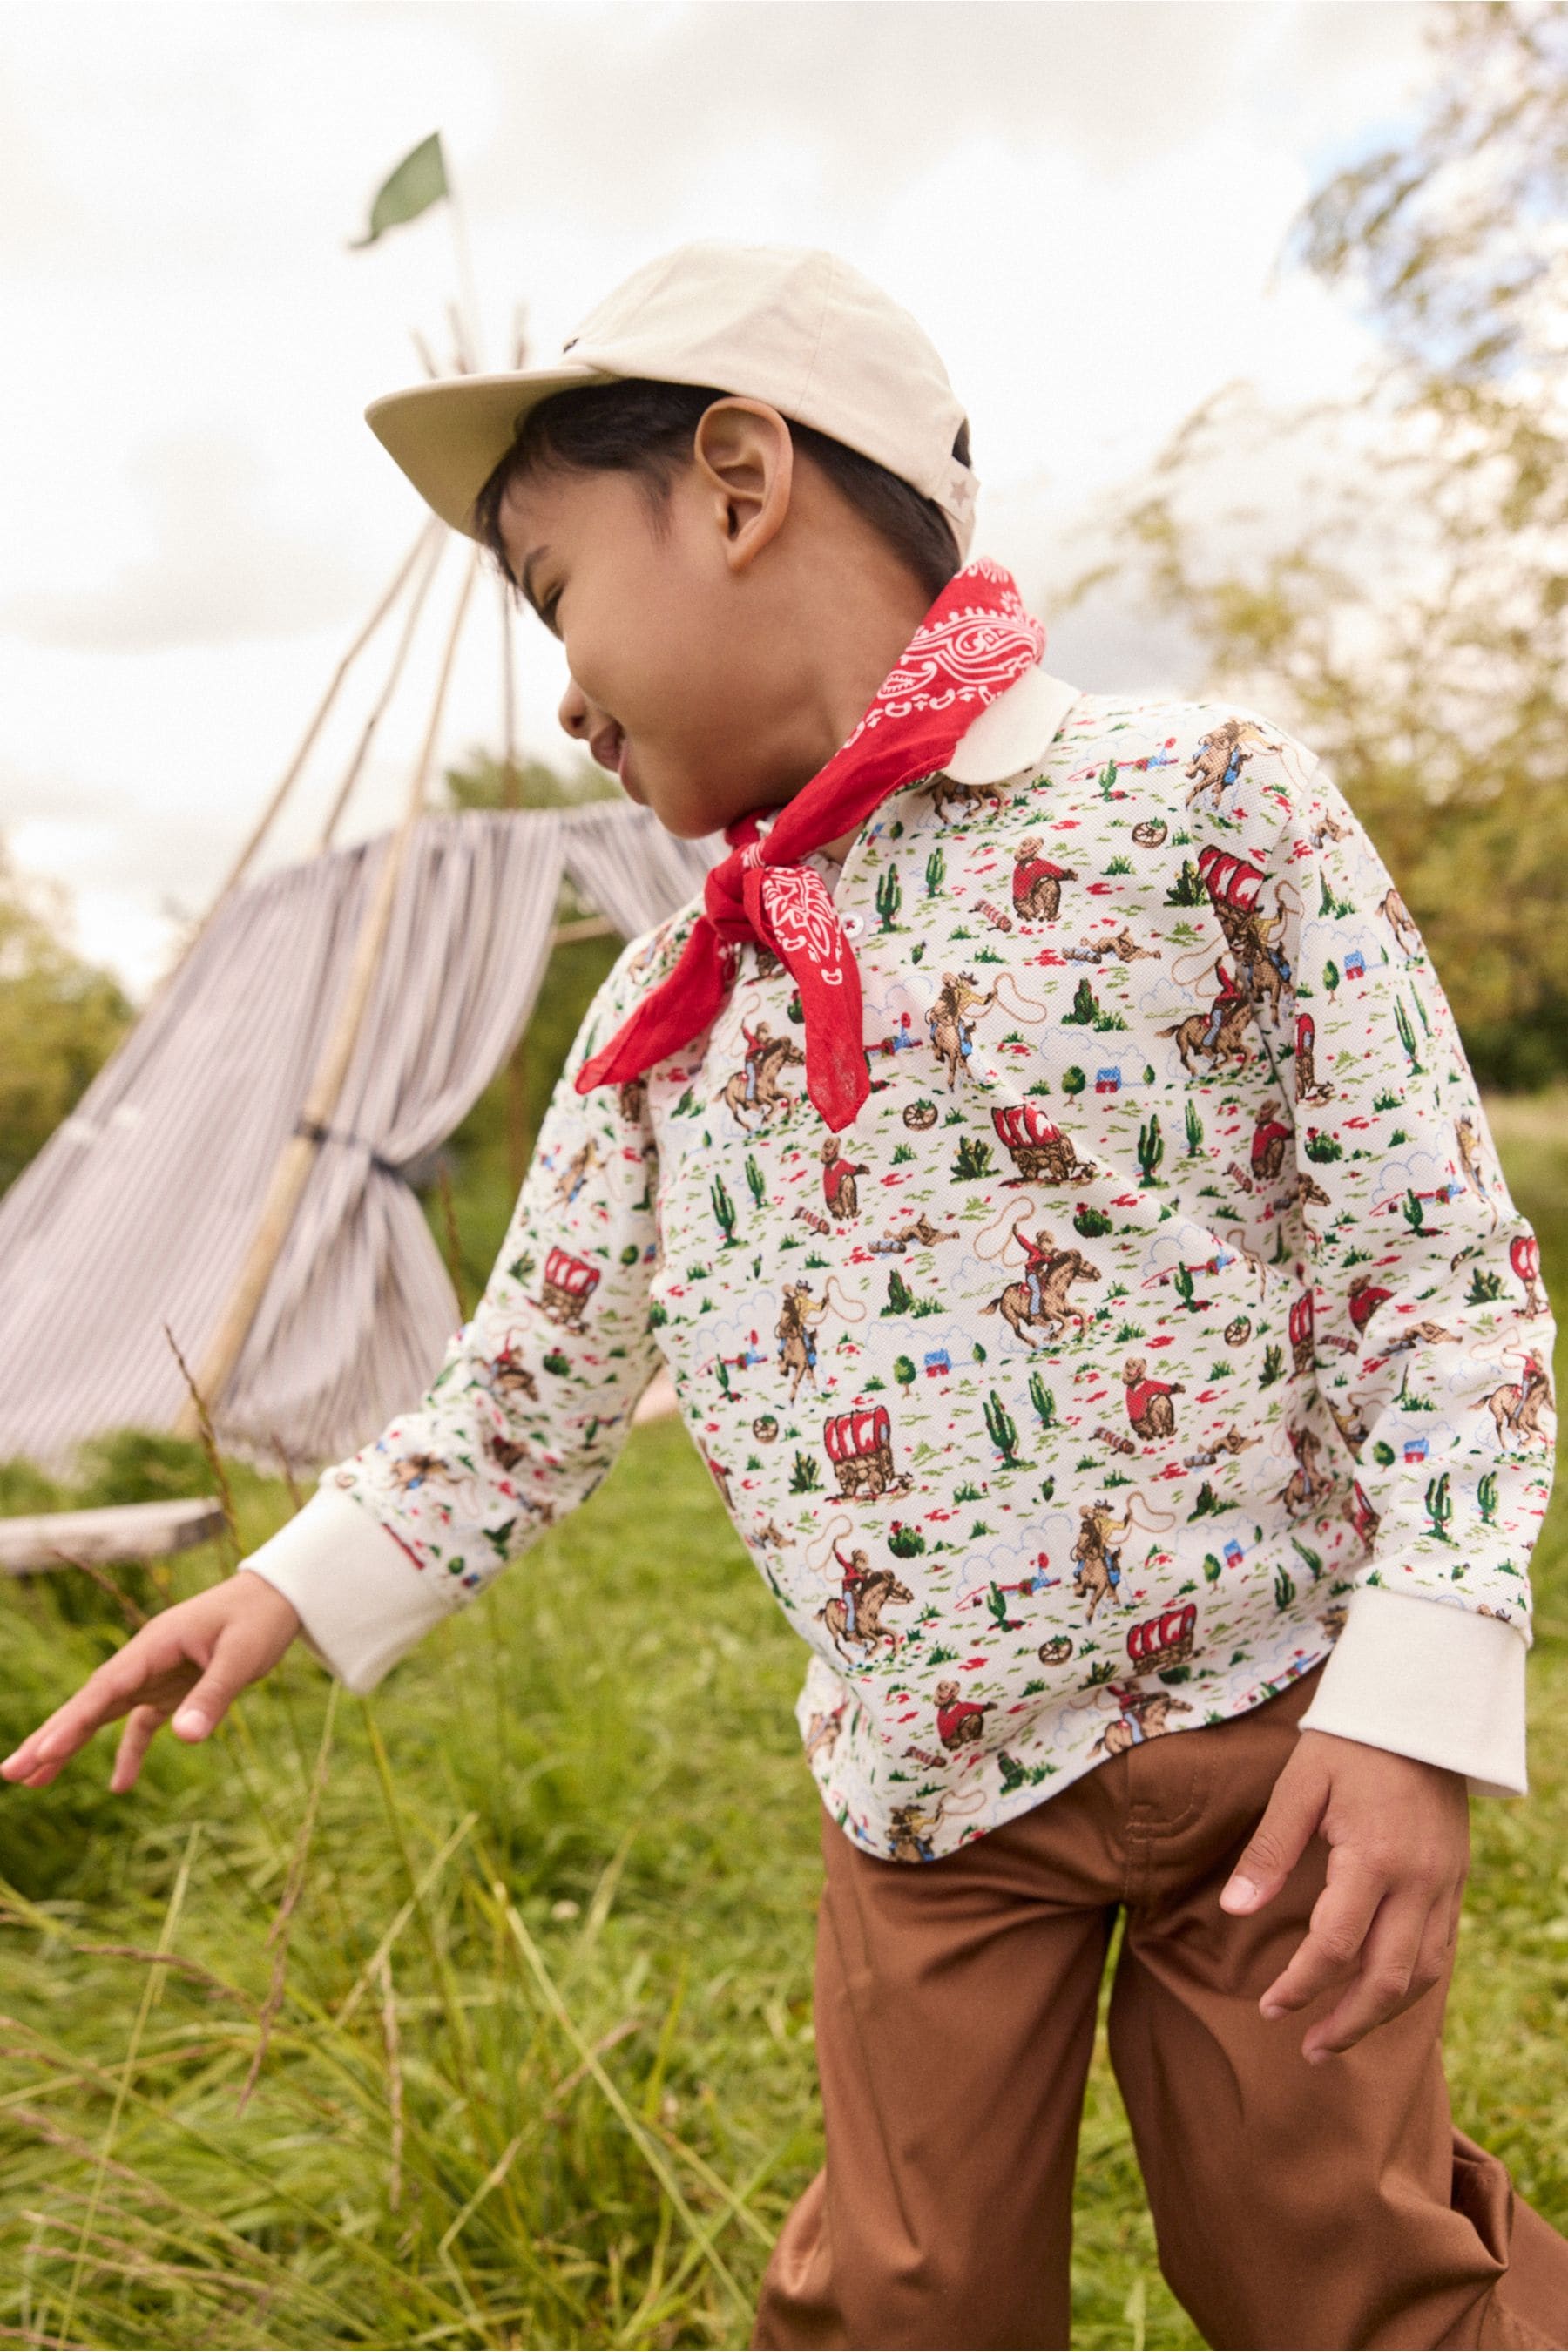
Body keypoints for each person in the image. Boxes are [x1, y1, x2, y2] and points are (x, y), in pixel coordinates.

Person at [4, 240, 1564, 2351]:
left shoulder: (1206, 814)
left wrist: (1416, 1706)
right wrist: (284, 1583)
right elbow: (525, 1394)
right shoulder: (667, 1005)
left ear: (739, 483)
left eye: (556, 594)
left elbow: (1443, 1289)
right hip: (928, 1799)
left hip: (1275, 1747)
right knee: (906, 2295)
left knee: (1337, 2267)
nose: (560, 690)